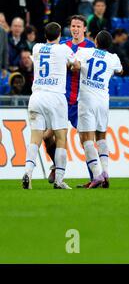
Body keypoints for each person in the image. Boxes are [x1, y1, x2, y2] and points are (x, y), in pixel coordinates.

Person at [22, 22, 76, 190]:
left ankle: (28, 173)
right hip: (56, 98)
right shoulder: (64, 49)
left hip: (36, 96)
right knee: (61, 137)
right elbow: (76, 65)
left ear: (45, 35)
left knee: (35, 138)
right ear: (59, 35)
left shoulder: (37, 48)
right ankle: (59, 180)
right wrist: (72, 65)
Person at [43, 15, 96, 184]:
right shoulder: (63, 45)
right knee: (46, 136)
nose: (75, 29)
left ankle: (94, 178)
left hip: (79, 101)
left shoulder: (90, 46)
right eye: (73, 26)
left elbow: (92, 71)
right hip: (60, 99)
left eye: (78, 26)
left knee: (85, 139)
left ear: (84, 29)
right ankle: (56, 165)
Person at [74, 31, 122, 189]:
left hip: (87, 100)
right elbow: (120, 71)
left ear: (95, 41)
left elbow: (75, 65)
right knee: (101, 137)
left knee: (86, 139)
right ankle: (106, 173)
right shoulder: (113, 58)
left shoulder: (84, 52)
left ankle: (96, 175)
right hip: (103, 101)